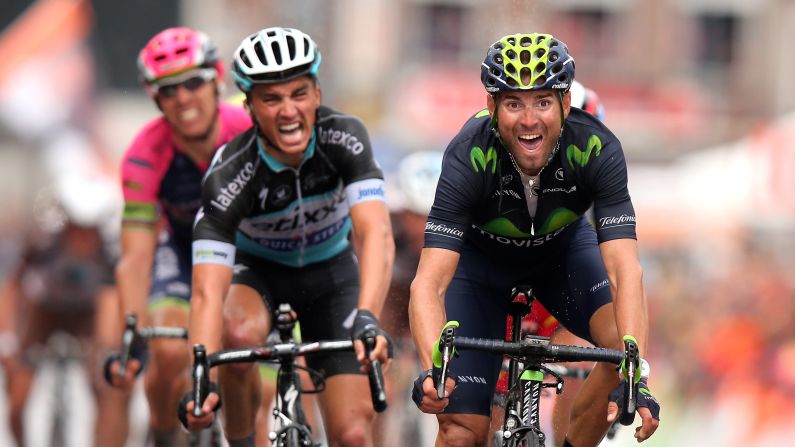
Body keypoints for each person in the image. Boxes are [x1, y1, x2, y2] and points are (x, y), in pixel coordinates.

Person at [408, 32, 660, 447]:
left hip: (562, 257)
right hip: (480, 267)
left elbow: (625, 269)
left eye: (542, 102)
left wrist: (637, 376)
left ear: (565, 104)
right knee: (461, 432)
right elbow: (428, 283)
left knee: (618, 348)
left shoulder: (597, 148)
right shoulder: (468, 155)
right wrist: (434, 369)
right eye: (513, 103)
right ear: (490, 106)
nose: (529, 120)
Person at [181, 27, 394, 447]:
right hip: (258, 274)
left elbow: (375, 234)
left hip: (332, 274)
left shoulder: (345, 137)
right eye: (271, 99)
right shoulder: (229, 175)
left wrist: (368, 313)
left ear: (317, 93)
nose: (288, 111)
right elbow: (207, 292)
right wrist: (201, 379)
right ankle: (242, 441)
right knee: (238, 336)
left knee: (352, 435)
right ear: (250, 106)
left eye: (298, 93)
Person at [102, 26, 256, 446]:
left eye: (192, 82)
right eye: (169, 90)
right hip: (181, 251)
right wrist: (133, 332)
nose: (183, 98)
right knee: (169, 350)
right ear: (155, 99)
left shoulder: (247, 130)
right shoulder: (143, 153)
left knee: (246, 351)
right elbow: (135, 257)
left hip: (248, 252)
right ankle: (163, 435)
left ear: (217, 79)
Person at [0, 176, 127, 447]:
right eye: (76, 228)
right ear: (65, 222)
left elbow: (111, 303)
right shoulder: (42, 242)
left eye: (90, 230)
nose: (83, 237)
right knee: (18, 394)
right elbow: (12, 286)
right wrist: (8, 339)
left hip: (87, 316)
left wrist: (106, 352)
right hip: (45, 313)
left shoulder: (110, 251)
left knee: (107, 387)